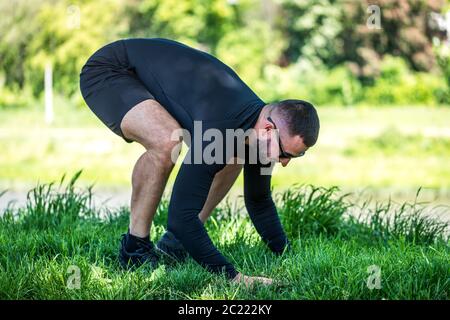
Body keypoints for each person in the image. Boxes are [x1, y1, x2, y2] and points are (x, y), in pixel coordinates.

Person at [79, 38, 320, 287]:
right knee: (167, 141)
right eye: (286, 154)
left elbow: (258, 201)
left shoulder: (258, 131)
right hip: (111, 70)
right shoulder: (223, 127)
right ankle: (134, 248)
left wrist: (287, 254)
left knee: (234, 154)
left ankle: (175, 245)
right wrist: (235, 278)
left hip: (154, 80)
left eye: (295, 155)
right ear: (269, 129)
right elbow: (180, 217)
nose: (284, 163)